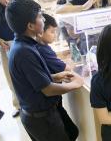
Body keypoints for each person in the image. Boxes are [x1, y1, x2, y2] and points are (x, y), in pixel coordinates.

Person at [6, 0, 84, 140]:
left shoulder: (26, 46)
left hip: (40, 116)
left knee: (71, 133)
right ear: (30, 25)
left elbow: (33, 80)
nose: (43, 19)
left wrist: (55, 76)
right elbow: (48, 90)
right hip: (42, 119)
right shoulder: (24, 52)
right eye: (40, 16)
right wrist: (75, 85)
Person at [35, 13, 79, 141]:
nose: (55, 35)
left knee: (71, 132)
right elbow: (66, 67)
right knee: (71, 132)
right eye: (52, 32)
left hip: (52, 104)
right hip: (49, 106)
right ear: (40, 32)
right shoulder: (42, 49)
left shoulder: (42, 47)